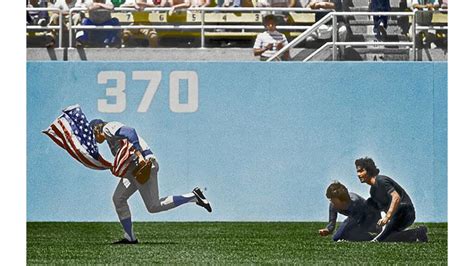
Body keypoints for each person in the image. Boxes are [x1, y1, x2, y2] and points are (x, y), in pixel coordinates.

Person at [89, 119, 212, 244]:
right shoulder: (109, 135)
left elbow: (130, 131)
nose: (94, 140)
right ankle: (130, 237)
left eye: (92, 135)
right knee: (118, 198)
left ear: (96, 129)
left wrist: (139, 154)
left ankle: (193, 196)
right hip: (133, 169)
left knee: (154, 206)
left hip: (142, 164)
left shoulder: (107, 128)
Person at [355, 157, 428, 242]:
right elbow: (382, 209)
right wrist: (381, 223)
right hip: (394, 217)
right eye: (357, 172)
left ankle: (378, 239)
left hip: (405, 212)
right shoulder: (373, 191)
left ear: (369, 171)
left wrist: (387, 217)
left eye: (361, 171)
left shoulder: (381, 180)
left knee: (383, 237)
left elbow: (396, 198)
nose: (358, 175)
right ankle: (417, 233)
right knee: (389, 238)